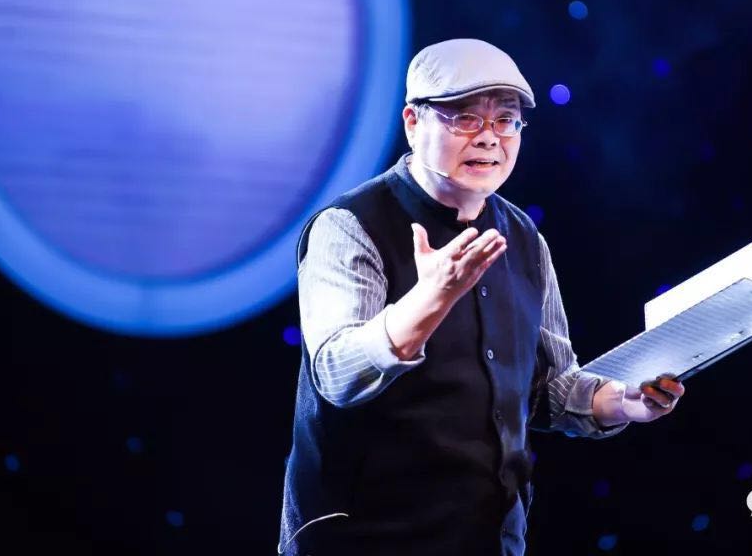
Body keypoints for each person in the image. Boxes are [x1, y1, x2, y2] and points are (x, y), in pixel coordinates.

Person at [279, 38, 685, 556]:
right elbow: (338, 375)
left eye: (506, 120)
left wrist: (625, 401)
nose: (490, 137)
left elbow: (549, 388)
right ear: (412, 122)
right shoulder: (350, 226)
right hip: (364, 539)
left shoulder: (525, 239)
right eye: (466, 118)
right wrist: (430, 300)